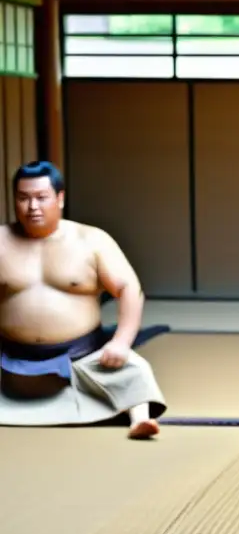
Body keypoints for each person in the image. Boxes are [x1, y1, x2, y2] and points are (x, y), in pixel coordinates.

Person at [0, 160, 166, 439]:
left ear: (60, 198)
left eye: (41, 198)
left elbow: (129, 289)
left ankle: (139, 419)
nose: (32, 207)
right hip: (10, 359)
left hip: (82, 359)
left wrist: (121, 342)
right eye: (23, 198)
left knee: (134, 369)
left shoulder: (91, 240)